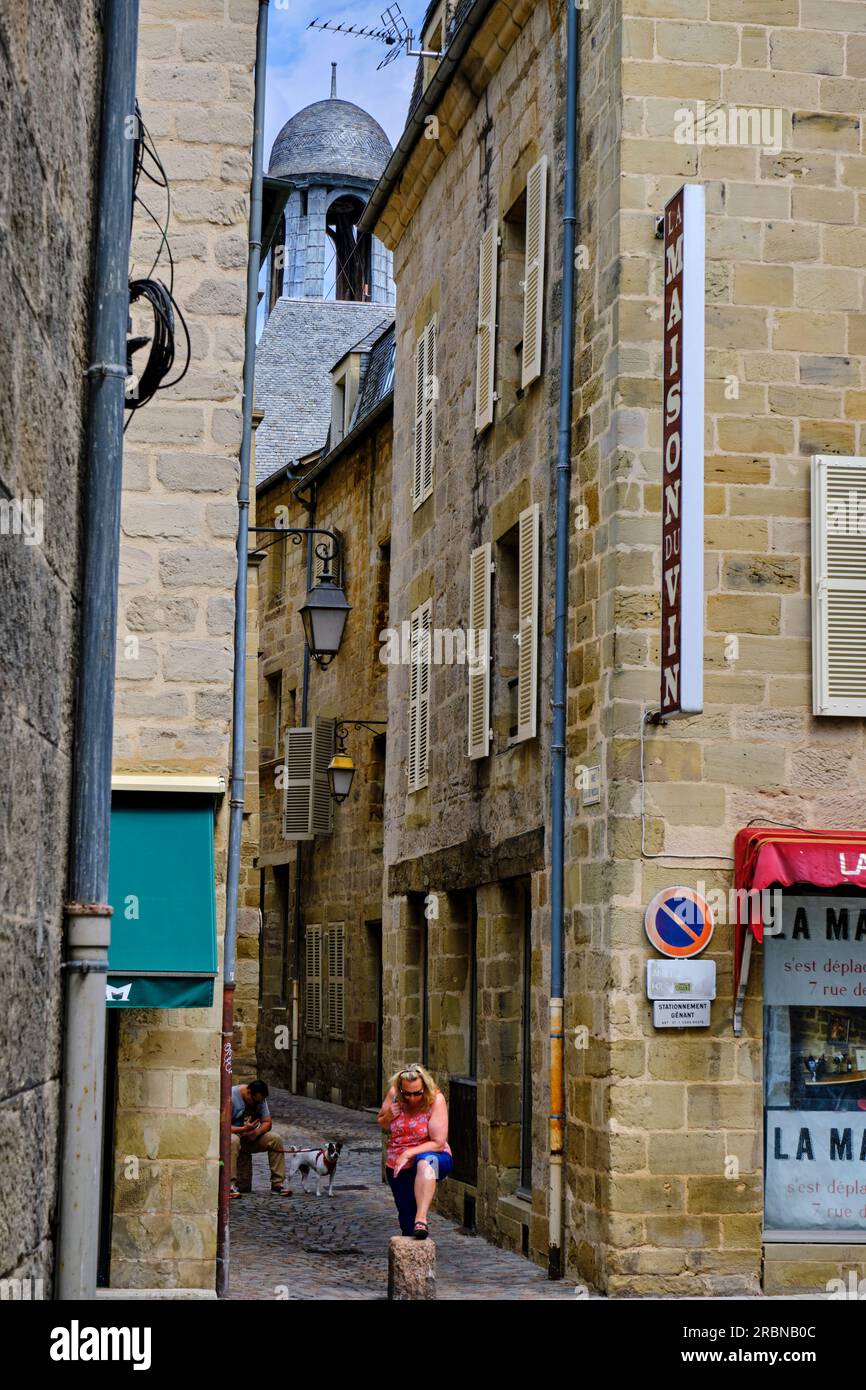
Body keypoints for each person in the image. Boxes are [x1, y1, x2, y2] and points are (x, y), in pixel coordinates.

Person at [378, 1063, 452, 1239]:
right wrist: (389, 1115)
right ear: (400, 1089)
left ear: (424, 1087)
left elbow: (439, 1143)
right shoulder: (394, 1095)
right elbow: (382, 1122)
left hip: (436, 1157)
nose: (412, 1099)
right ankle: (413, 1253)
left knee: (425, 1162)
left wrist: (408, 1153)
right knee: (406, 1222)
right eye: (407, 1094)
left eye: (417, 1093)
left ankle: (422, 1218)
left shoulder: (435, 1100)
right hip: (399, 1165)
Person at [230, 1079, 286, 1196]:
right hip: (233, 1135)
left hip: (249, 1138)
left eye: (260, 1102)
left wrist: (256, 1132)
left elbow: (267, 1122)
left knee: (275, 1139)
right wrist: (243, 1129)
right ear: (249, 1093)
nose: (258, 1105)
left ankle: (277, 1184)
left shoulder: (260, 1099)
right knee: (233, 1140)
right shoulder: (231, 1096)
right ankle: (230, 1185)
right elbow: (223, 1126)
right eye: (255, 1102)